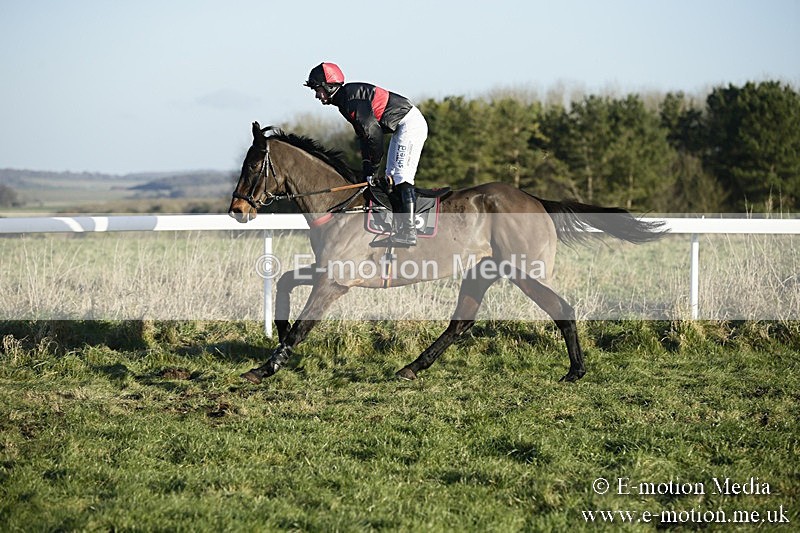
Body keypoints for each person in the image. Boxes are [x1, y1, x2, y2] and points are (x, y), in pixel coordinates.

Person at [304, 62, 428, 247]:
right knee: (392, 177)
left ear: (329, 86)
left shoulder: (349, 100)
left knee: (401, 176)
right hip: (401, 126)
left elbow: (373, 134)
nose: (316, 95)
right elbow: (365, 137)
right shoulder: (345, 100)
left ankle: (408, 232)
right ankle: (398, 225)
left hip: (409, 124)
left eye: (318, 89)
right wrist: (368, 170)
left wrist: (374, 169)